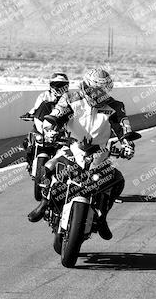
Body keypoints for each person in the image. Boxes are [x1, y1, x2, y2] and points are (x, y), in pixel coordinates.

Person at [28, 68, 135, 240]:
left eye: (103, 91)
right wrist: (50, 129)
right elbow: (55, 115)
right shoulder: (71, 98)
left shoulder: (115, 106)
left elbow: (123, 126)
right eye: (96, 90)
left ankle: (102, 218)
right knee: (47, 168)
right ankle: (43, 203)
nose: (99, 94)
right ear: (86, 86)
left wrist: (127, 143)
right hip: (72, 147)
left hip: (99, 152)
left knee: (117, 180)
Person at [21, 72, 69, 170]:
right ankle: (29, 162)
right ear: (51, 85)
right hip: (44, 125)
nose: (58, 87)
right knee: (29, 140)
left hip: (62, 126)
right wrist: (30, 114)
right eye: (56, 85)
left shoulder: (70, 97)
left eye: (61, 85)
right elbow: (37, 107)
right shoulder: (44, 95)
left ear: (67, 86)